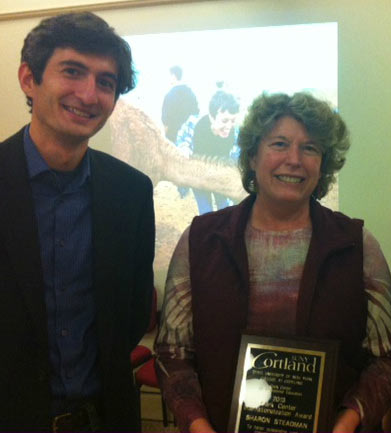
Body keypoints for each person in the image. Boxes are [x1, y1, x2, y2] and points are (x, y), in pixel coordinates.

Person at [156, 92, 391, 432]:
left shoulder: (356, 245)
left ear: (324, 165)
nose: (294, 159)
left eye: (311, 148)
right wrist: (198, 427)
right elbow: (173, 354)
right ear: (253, 156)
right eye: (279, 144)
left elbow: (387, 359)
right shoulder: (200, 241)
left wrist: (346, 425)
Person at [0, 12, 155, 432]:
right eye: (73, 71)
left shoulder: (132, 192)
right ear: (29, 79)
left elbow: (134, 313)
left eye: (106, 82)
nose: (89, 94)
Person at [177, 89, 239, 213]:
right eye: (224, 121)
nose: (229, 126)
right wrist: (184, 146)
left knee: (225, 209)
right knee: (206, 211)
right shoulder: (195, 124)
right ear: (212, 116)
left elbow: (237, 158)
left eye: (233, 121)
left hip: (220, 176)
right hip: (199, 175)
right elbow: (182, 136)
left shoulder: (235, 134)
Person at [161, 65, 199, 144]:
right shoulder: (191, 94)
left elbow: (166, 123)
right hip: (188, 140)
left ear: (173, 76)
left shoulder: (169, 96)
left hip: (172, 140)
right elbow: (196, 116)